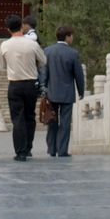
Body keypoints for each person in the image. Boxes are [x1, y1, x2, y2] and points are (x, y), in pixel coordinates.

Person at [0, 14, 46, 161]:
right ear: (21, 26)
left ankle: (20, 152)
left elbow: (2, 65)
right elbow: (43, 61)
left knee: (17, 118)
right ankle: (28, 148)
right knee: (29, 116)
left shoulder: (5, 45)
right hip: (31, 83)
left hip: (14, 84)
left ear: (8, 29)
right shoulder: (32, 44)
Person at [40, 25, 85, 157]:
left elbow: (44, 72)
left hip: (51, 92)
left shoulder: (47, 51)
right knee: (65, 123)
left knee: (52, 121)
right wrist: (81, 90)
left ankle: (52, 149)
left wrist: (43, 88)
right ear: (68, 37)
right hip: (67, 94)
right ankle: (63, 150)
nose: (72, 38)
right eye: (72, 35)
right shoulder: (73, 53)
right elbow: (79, 75)